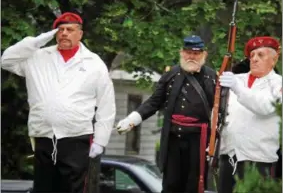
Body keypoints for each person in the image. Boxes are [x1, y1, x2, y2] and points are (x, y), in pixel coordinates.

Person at [1, 12, 116, 193]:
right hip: (43, 136)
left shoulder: (94, 63)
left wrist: (101, 140)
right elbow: (6, 60)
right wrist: (38, 40)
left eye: (70, 30)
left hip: (75, 138)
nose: (64, 33)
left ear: (80, 34)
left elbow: (106, 105)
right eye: (60, 30)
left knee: (71, 189)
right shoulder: (38, 57)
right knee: (43, 188)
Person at [117, 35, 217, 193]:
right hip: (173, 140)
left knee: (193, 186)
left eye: (196, 53)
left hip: (198, 141)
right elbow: (154, 102)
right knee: (170, 184)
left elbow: (218, 111)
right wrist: (132, 120)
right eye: (188, 52)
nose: (191, 56)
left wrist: (215, 142)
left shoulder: (211, 77)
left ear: (204, 54)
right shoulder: (171, 75)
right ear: (181, 53)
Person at [217, 36, 282, 193]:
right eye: (252, 55)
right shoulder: (237, 79)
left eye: (260, 55)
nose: (254, 59)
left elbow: (265, 107)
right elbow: (220, 111)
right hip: (229, 156)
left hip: (258, 160)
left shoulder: (278, 83)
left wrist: (236, 87)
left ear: (274, 59)